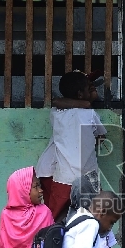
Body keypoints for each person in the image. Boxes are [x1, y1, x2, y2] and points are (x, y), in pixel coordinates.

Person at [37, 71, 107, 222]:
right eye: (90, 88)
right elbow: (101, 135)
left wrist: (86, 100)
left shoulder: (56, 114)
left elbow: (58, 102)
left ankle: (55, 244)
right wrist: (89, 102)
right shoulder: (90, 114)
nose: (93, 90)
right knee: (94, 219)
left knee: (55, 220)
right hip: (87, 179)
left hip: (62, 177)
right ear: (81, 94)